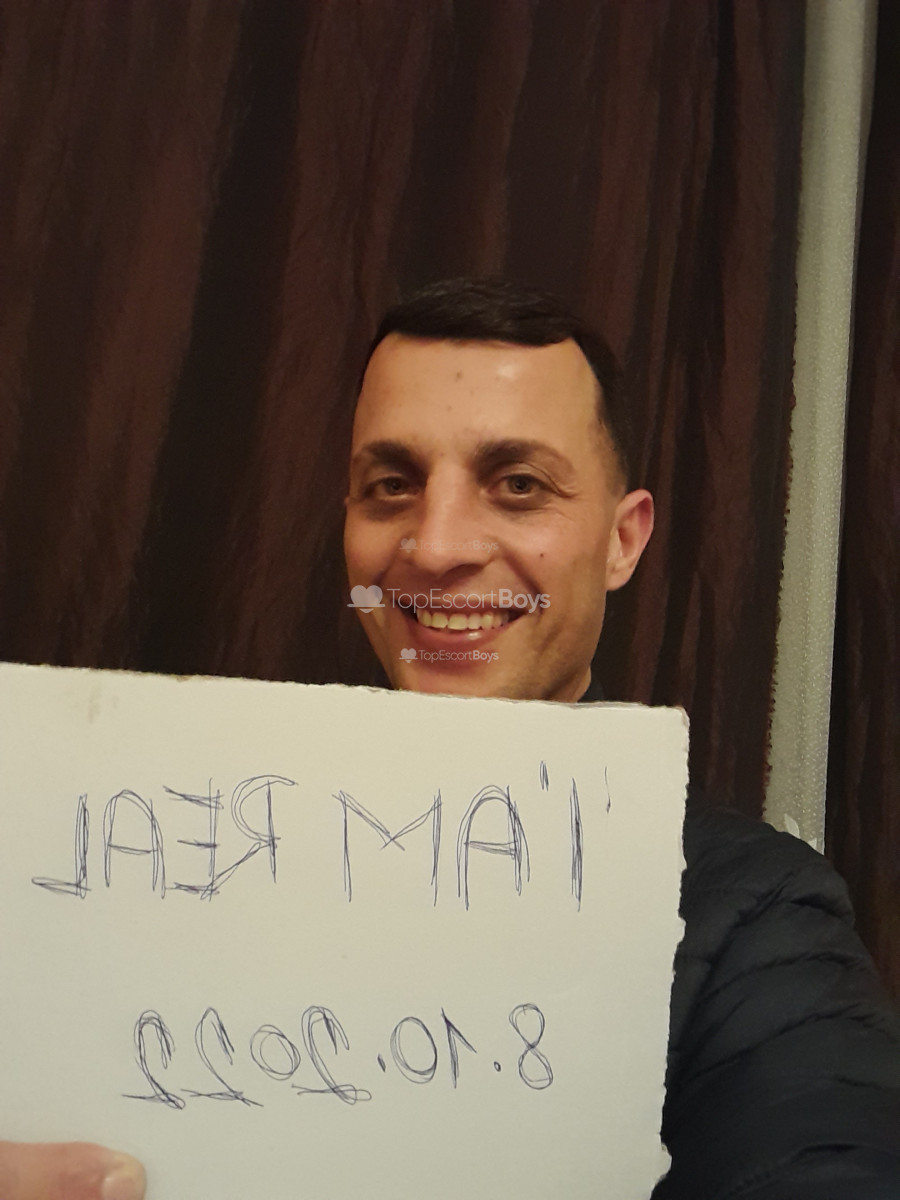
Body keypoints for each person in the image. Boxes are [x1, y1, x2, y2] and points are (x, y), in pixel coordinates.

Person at [4, 278, 899, 1198]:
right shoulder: (164, 850)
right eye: (391, 486)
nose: (434, 549)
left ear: (623, 541)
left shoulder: (752, 916)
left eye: (518, 486)